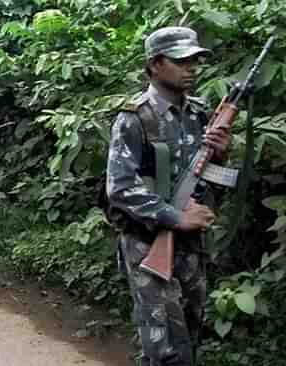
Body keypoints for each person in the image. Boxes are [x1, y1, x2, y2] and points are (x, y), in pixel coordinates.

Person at [105, 27, 231, 366]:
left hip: (190, 246)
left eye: (195, 61)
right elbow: (119, 187)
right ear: (155, 64)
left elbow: (208, 180)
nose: (191, 68)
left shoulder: (200, 114)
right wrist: (175, 217)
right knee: (167, 348)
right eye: (181, 61)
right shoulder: (134, 118)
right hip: (147, 243)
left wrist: (220, 154)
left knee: (189, 334)